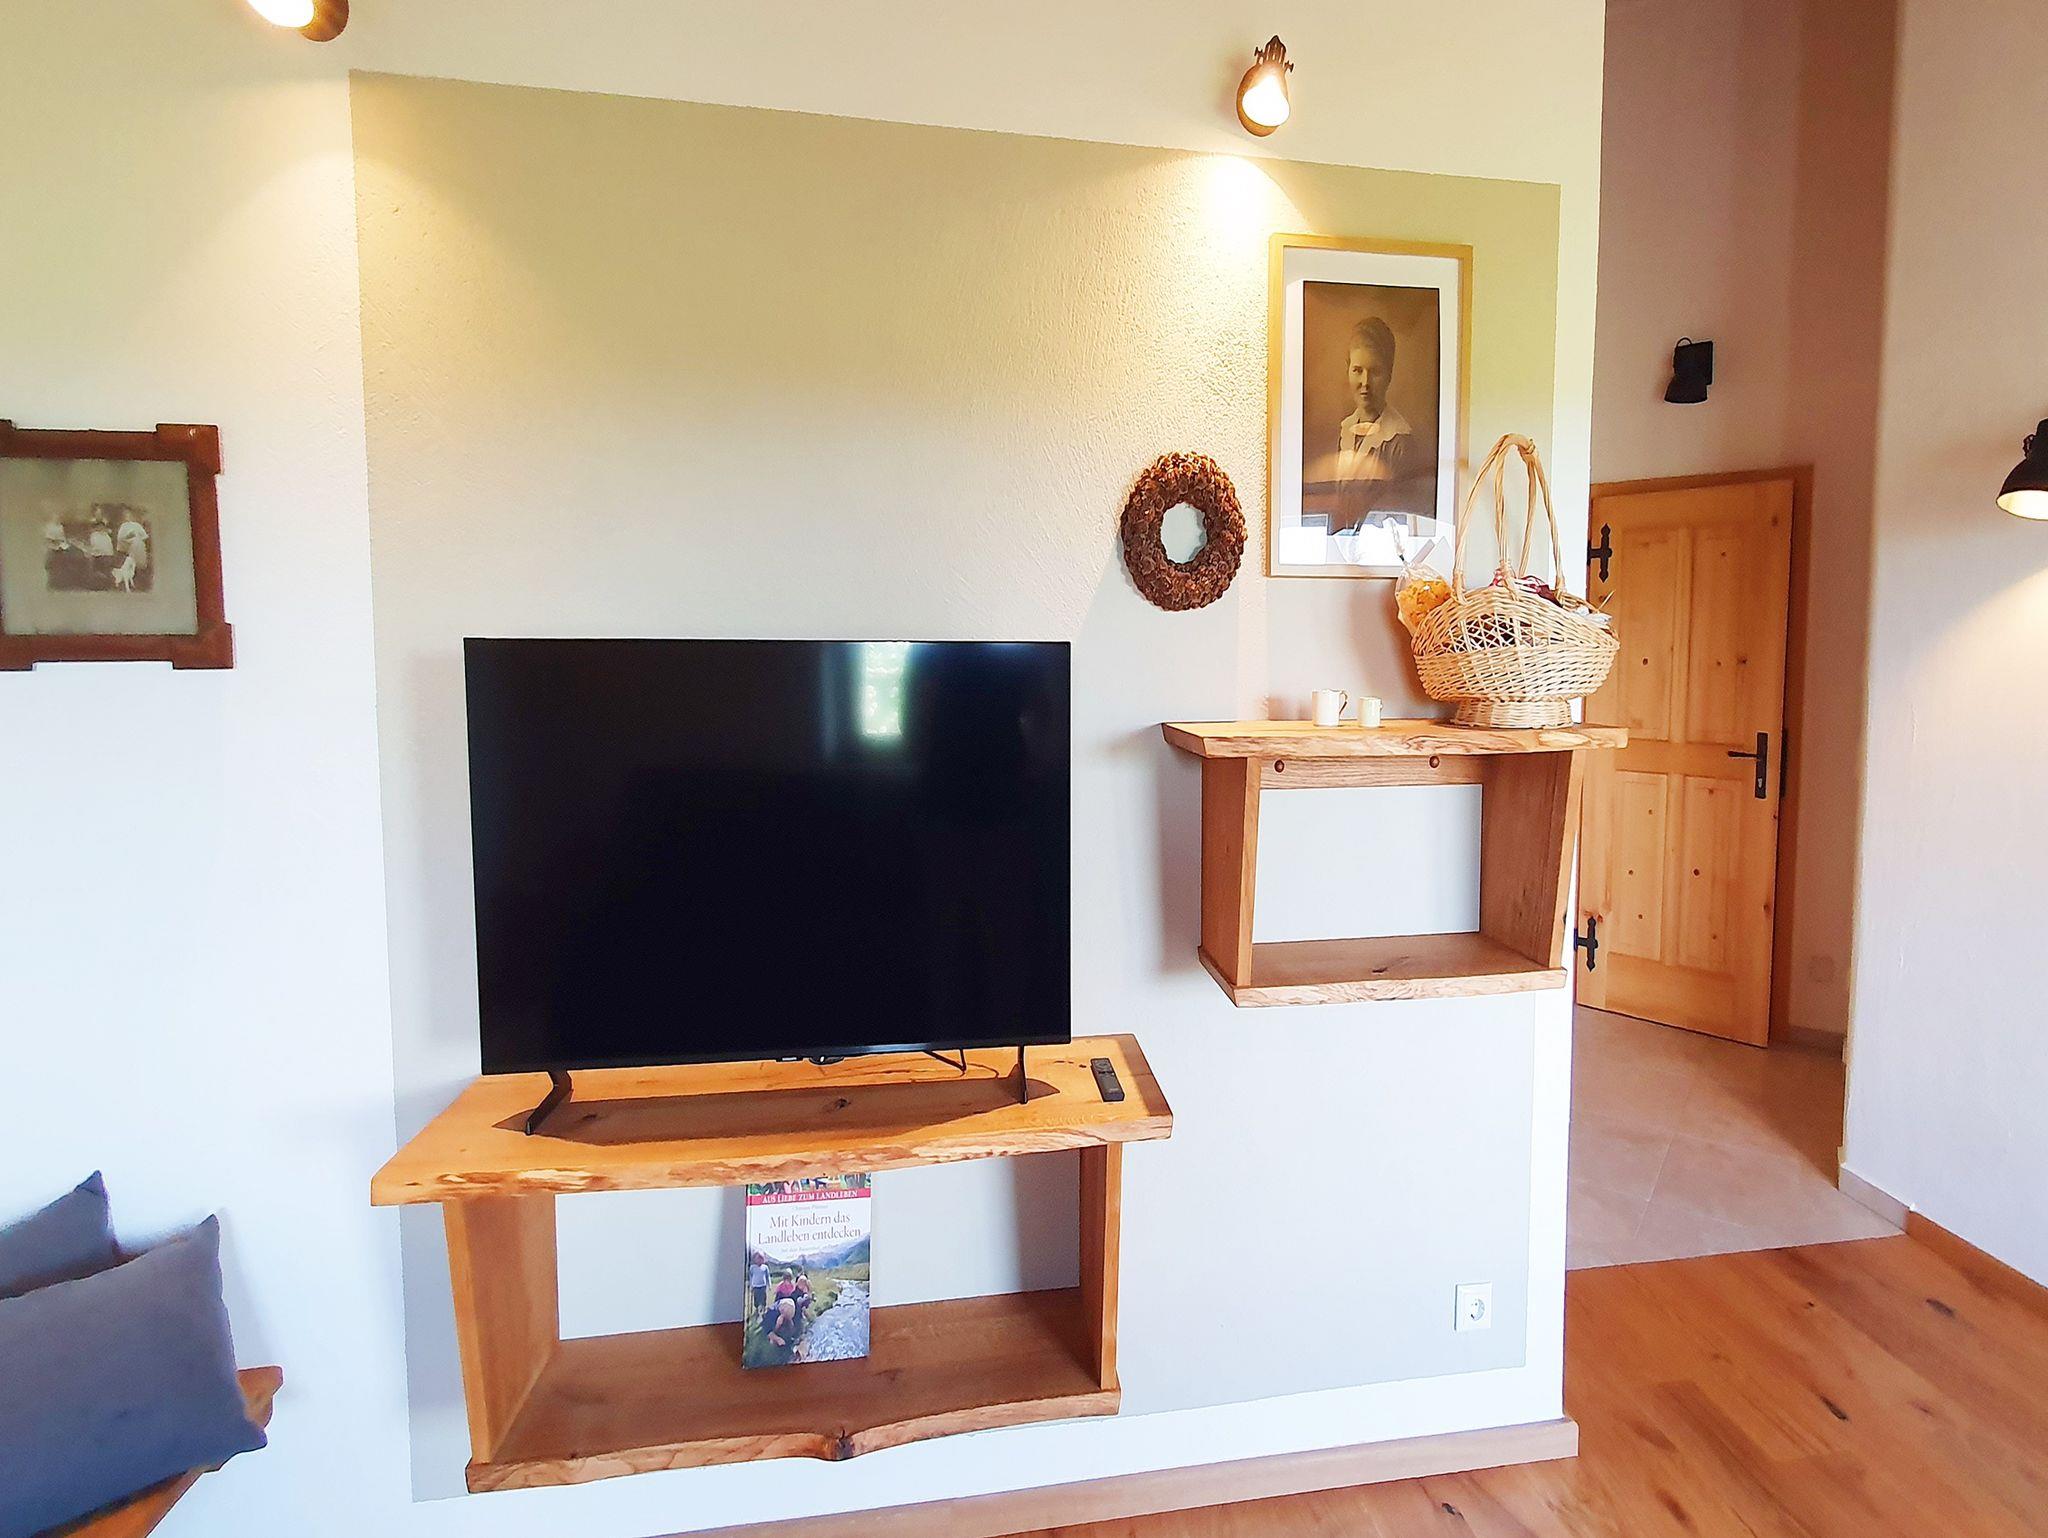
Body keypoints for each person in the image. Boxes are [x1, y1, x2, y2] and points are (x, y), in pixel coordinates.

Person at [1331, 316, 1421, 534]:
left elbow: (1400, 516)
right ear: (1348, 369)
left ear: (1389, 374)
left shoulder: (1399, 442)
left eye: (1375, 372)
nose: (1365, 383)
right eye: (1357, 370)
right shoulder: (1345, 430)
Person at [114, 507, 149, 592]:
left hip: (138, 547)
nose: (128, 517)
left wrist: (138, 537)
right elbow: (120, 539)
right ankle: (127, 583)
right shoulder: (123, 526)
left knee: (139, 562)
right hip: (128, 548)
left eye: (129, 515)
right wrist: (129, 537)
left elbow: (145, 536)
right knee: (129, 564)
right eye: (126, 515)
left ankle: (139, 583)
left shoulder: (137, 525)